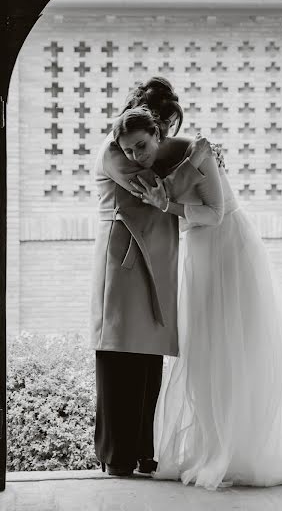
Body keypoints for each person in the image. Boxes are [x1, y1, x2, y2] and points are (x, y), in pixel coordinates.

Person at [128, 88, 282, 491]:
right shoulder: (159, 160)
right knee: (205, 347)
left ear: (160, 126)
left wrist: (165, 205)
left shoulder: (198, 150)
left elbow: (216, 212)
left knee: (236, 345)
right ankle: (215, 446)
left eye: (148, 136)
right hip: (201, 254)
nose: (142, 150)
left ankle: (243, 450)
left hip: (228, 249)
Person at [90, 77, 212, 477]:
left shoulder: (152, 150)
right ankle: (117, 454)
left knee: (148, 357)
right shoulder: (114, 152)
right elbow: (152, 192)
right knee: (120, 352)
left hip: (157, 256)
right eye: (158, 126)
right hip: (123, 258)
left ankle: (146, 450)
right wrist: (194, 159)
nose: (151, 145)